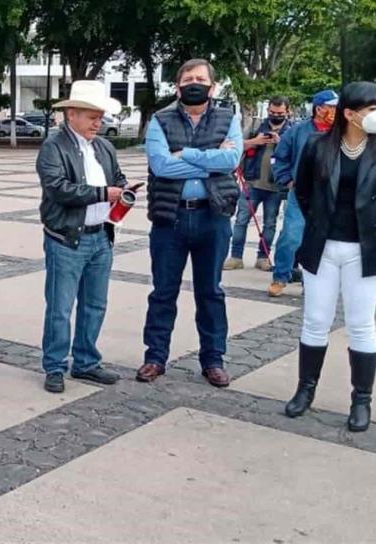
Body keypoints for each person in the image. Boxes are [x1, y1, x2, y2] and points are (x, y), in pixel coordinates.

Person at [137, 59, 243, 387]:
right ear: (177, 85)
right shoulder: (160, 119)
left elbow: (231, 160)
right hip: (171, 217)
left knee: (210, 292)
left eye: (200, 79)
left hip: (213, 216)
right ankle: (155, 356)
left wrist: (185, 154)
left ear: (213, 87)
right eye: (187, 79)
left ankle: (213, 359)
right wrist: (210, 159)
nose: (193, 83)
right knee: (163, 292)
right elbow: (161, 165)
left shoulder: (229, 118)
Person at [286, 81, 376, 433]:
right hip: (322, 246)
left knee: (362, 325)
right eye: (369, 109)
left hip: (365, 250)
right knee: (315, 320)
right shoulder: (318, 147)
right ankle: (305, 390)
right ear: (350, 114)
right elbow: (304, 192)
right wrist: (320, 225)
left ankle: (361, 400)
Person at [36, 81, 130, 394]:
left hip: (101, 235)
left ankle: (87, 361)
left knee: (95, 304)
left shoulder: (103, 147)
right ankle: (55, 365)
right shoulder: (54, 146)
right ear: (71, 113)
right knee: (60, 307)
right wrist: (104, 192)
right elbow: (58, 188)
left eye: (100, 116)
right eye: (92, 116)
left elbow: (118, 179)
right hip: (66, 237)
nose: (98, 122)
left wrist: (125, 191)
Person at [268, 89, 339, 297]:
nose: (335, 111)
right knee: (292, 236)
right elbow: (279, 158)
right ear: (319, 108)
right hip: (301, 193)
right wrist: (287, 180)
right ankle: (281, 276)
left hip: (331, 195)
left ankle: (313, 282)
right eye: (332, 107)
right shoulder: (298, 131)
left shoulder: (342, 132)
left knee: (324, 241)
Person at [224, 96, 292, 272]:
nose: (275, 115)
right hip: (251, 183)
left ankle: (263, 257)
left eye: (280, 113)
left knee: (270, 224)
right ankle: (236, 256)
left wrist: (281, 142)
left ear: (287, 112)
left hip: (276, 187)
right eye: (272, 112)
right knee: (241, 220)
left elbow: (297, 153)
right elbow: (236, 146)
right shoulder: (255, 127)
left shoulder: (292, 131)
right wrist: (256, 141)